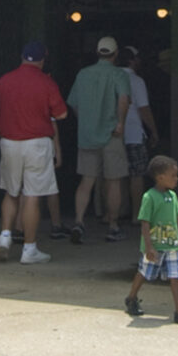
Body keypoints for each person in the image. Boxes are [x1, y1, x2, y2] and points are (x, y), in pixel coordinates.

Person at [0, 40, 66, 264]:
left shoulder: (5, 81)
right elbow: (61, 114)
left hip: (9, 141)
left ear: (22, 57)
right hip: (37, 143)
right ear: (43, 60)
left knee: (11, 191)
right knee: (32, 194)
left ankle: (5, 236)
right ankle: (29, 248)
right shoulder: (46, 83)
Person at [122, 155, 178, 325]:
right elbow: (145, 222)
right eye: (173, 175)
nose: (176, 178)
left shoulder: (172, 196)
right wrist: (149, 247)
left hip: (172, 245)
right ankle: (131, 297)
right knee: (144, 273)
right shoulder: (149, 197)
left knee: (175, 277)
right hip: (155, 246)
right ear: (160, 177)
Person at [66, 35, 130, 244]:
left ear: (97, 52)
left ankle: (78, 221)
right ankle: (113, 225)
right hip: (111, 134)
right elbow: (123, 99)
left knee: (87, 180)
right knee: (113, 182)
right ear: (116, 54)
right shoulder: (118, 74)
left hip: (87, 134)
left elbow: (73, 102)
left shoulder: (83, 74)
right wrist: (120, 122)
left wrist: (85, 119)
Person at [117, 45, 158, 224]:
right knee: (136, 175)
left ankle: (116, 213)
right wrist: (154, 131)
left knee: (116, 176)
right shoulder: (136, 81)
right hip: (133, 132)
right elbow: (144, 109)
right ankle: (136, 215)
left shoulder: (112, 78)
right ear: (132, 60)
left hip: (112, 134)